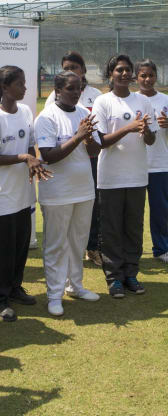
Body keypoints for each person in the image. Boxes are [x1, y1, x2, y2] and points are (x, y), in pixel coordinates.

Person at [35, 70, 101, 316]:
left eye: (79, 88)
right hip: (57, 193)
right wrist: (78, 136)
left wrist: (89, 139)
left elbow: (94, 151)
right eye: (71, 88)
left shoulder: (85, 114)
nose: (76, 93)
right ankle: (54, 295)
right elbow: (49, 156)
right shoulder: (47, 117)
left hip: (84, 190)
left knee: (78, 242)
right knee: (56, 245)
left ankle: (76, 286)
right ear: (58, 90)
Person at [92, 54, 157, 299]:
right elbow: (100, 142)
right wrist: (128, 128)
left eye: (128, 70)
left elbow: (150, 140)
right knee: (111, 229)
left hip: (137, 176)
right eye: (119, 70)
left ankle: (130, 274)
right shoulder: (103, 102)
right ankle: (114, 278)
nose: (124, 74)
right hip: (110, 177)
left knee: (133, 228)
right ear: (111, 74)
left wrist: (146, 129)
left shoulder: (142, 101)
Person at [0, 65, 51, 321]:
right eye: (20, 84)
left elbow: (30, 143)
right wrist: (23, 157)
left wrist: (34, 163)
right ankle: (2, 299)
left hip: (23, 193)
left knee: (21, 245)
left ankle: (16, 288)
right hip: (3, 198)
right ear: (5, 87)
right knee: (4, 250)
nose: (25, 88)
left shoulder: (26, 111)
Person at [45, 51, 102, 267]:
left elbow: (96, 135)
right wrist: (78, 137)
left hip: (89, 161)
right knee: (65, 218)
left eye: (74, 67)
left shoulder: (95, 95)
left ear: (83, 70)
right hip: (65, 168)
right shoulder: (53, 102)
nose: (70, 71)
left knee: (92, 207)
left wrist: (88, 140)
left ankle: (92, 247)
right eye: (66, 68)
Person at [135, 59, 168, 265]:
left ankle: (161, 250)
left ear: (156, 76)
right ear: (137, 77)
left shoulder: (167, 101)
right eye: (143, 75)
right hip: (133, 165)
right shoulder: (131, 99)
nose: (147, 79)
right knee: (134, 212)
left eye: (150, 75)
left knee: (160, 210)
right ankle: (133, 250)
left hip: (160, 164)